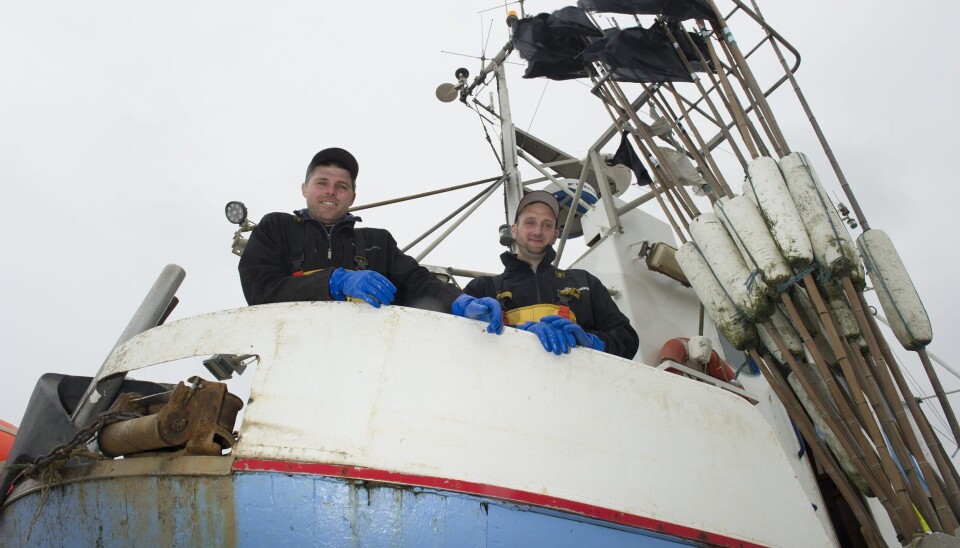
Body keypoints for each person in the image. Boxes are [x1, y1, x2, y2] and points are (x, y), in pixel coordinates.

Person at [238, 147, 503, 333]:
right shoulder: (276, 227)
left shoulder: (378, 243)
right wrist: (334, 281)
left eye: (342, 186)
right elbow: (260, 290)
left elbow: (417, 282)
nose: (331, 191)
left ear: (353, 196)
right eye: (322, 182)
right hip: (287, 357)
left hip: (365, 366)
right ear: (305, 188)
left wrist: (460, 302)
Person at [464, 190, 639, 358]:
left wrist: (592, 342)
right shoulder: (483, 288)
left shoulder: (584, 282)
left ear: (555, 235)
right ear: (514, 230)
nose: (538, 231)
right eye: (530, 222)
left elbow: (627, 339)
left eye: (546, 225)